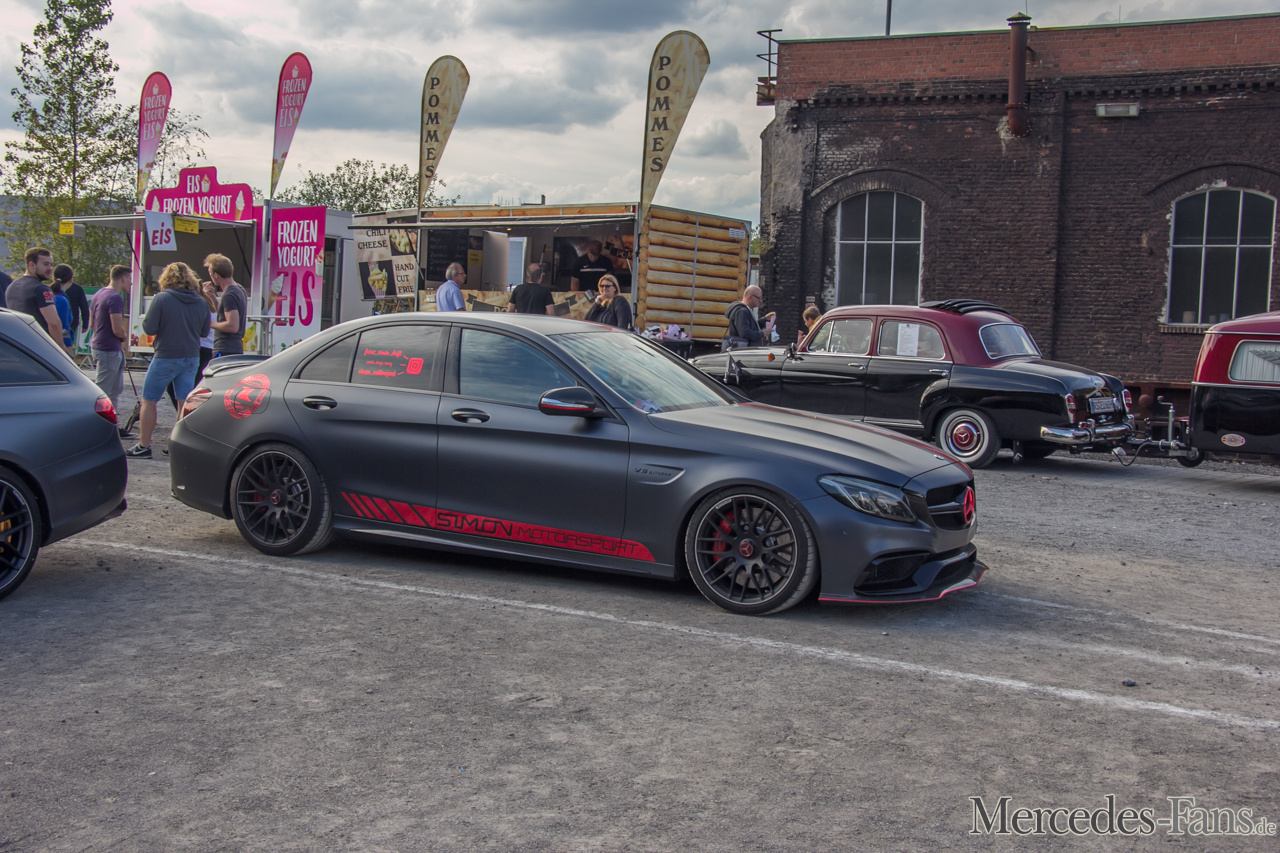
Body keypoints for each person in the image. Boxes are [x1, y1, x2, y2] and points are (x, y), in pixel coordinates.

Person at [126, 262, 210, 459]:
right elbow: (204, 331)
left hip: (166, 355)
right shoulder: (200, 302)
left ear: (165, 279)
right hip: (191, 356)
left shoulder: (162, 299)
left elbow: (149, 328)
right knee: (184, 403)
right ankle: (179, 446)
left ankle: (144, 445)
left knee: (149, 400)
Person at [5, 247, 69, 354]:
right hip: (39, 348)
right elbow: (54, 323)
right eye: (45, 264)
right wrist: (61, 349)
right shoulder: (41, 289)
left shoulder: (11, 286)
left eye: (51, 265)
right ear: (31, 264)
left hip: (16, 346)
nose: (50, 269)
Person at [90, 265, 132, 427]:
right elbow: (117, 329)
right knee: (104, 391)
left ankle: (110, 424)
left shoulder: (99, 294)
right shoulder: (115, 298)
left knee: (112, 390)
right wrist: (125, 336)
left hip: (99, 344)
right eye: (130, 279)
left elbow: (92, 323)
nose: (131, 283)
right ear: (123, 279)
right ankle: (96, 425)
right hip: (109, 348)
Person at [167, 282, 217, 410]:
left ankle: (187, 412)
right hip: (207, 347)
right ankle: (187, 412)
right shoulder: (209, 305)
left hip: (198, 347)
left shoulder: (198, 305)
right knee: (192, 386)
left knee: (179, 388)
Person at [203, 253, 247, 356]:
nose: (210, 277)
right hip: (234, 347)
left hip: (225, 349)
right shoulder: (239, 289)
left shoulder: (229, 295)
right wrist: (212, 297)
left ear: (216, 275)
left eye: (210, 273)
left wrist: (209, 323)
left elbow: (232, 326)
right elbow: (225, 312)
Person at [722, 285, 775, 351]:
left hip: (746, 351)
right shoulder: (741, 311)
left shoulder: (745, 310)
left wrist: (764, 319)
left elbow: (750, 327)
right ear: (750, 297)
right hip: (744, 352)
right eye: (759, 298)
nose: (760, 301)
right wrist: (762, 334)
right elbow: (745, 333)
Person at [61, 265, 91, 348]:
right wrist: (85, 324)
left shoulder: (50, 289)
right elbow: (84, 307)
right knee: (68, 344)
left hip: (55, 320)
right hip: (72, 321)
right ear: (71, 278)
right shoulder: (77, 289)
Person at [49, 266, 75, 349]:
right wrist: (68, 348)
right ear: (71, 280)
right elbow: (63, 329)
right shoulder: (60, 300)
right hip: (57, 346)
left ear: (53, 278)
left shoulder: (50, 295)